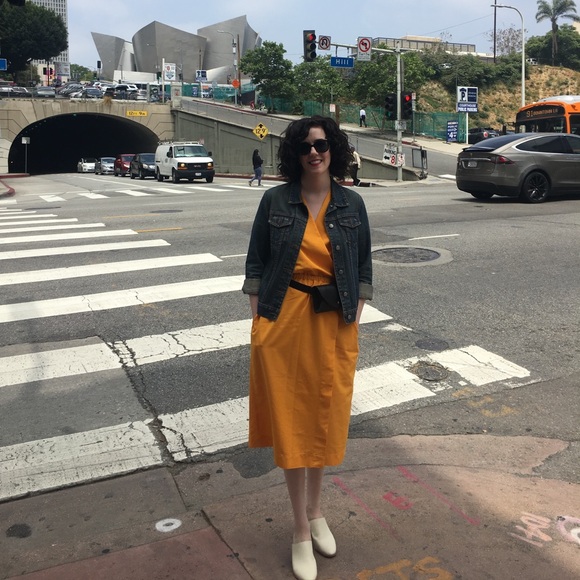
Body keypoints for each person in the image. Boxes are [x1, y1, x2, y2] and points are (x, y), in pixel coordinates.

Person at [242, 116, 373, 580]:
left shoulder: (352, 203)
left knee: (323, 417)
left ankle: (317, 511)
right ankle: (300, 528)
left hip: (333, 320)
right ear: (294, 154)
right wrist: (260, 320)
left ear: (333, 148)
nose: (313, 153)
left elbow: (363, 266)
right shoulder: (275, 200)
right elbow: (256, 262)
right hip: (284, 317)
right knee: (290, 423)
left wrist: (356, 312)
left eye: (321, 144)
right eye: (304, 147)